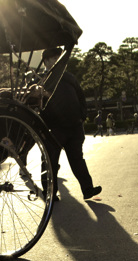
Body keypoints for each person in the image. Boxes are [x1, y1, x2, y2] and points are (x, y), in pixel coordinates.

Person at [34, 47, 101, 201]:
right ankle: (50, 192)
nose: (59, 62)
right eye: (55, 59)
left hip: (74, 126)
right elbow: (38, 104)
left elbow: (81, 97)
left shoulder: (69, 77)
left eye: (60, 58)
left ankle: (88, 189)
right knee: (50, 161)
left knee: (77, 159)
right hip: (54, 128)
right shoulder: (42, 80)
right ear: (46, 62)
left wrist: (82, 117)